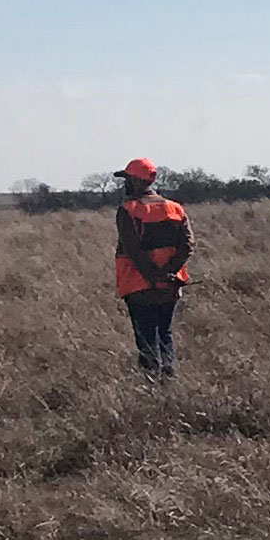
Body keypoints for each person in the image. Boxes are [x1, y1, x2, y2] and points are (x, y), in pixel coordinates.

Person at [112, 158, 195, 378]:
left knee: (146, 339)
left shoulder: (128, 210)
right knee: (164, 334)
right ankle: (169, 380)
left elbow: (133, 251)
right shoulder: (175, 208)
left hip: (139, 287)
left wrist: (153, 277)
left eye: (128, 179)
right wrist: (168, 273)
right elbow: (188, 245)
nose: (126, 184)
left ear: (137, 181)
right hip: (170, 286)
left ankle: (152, 387)